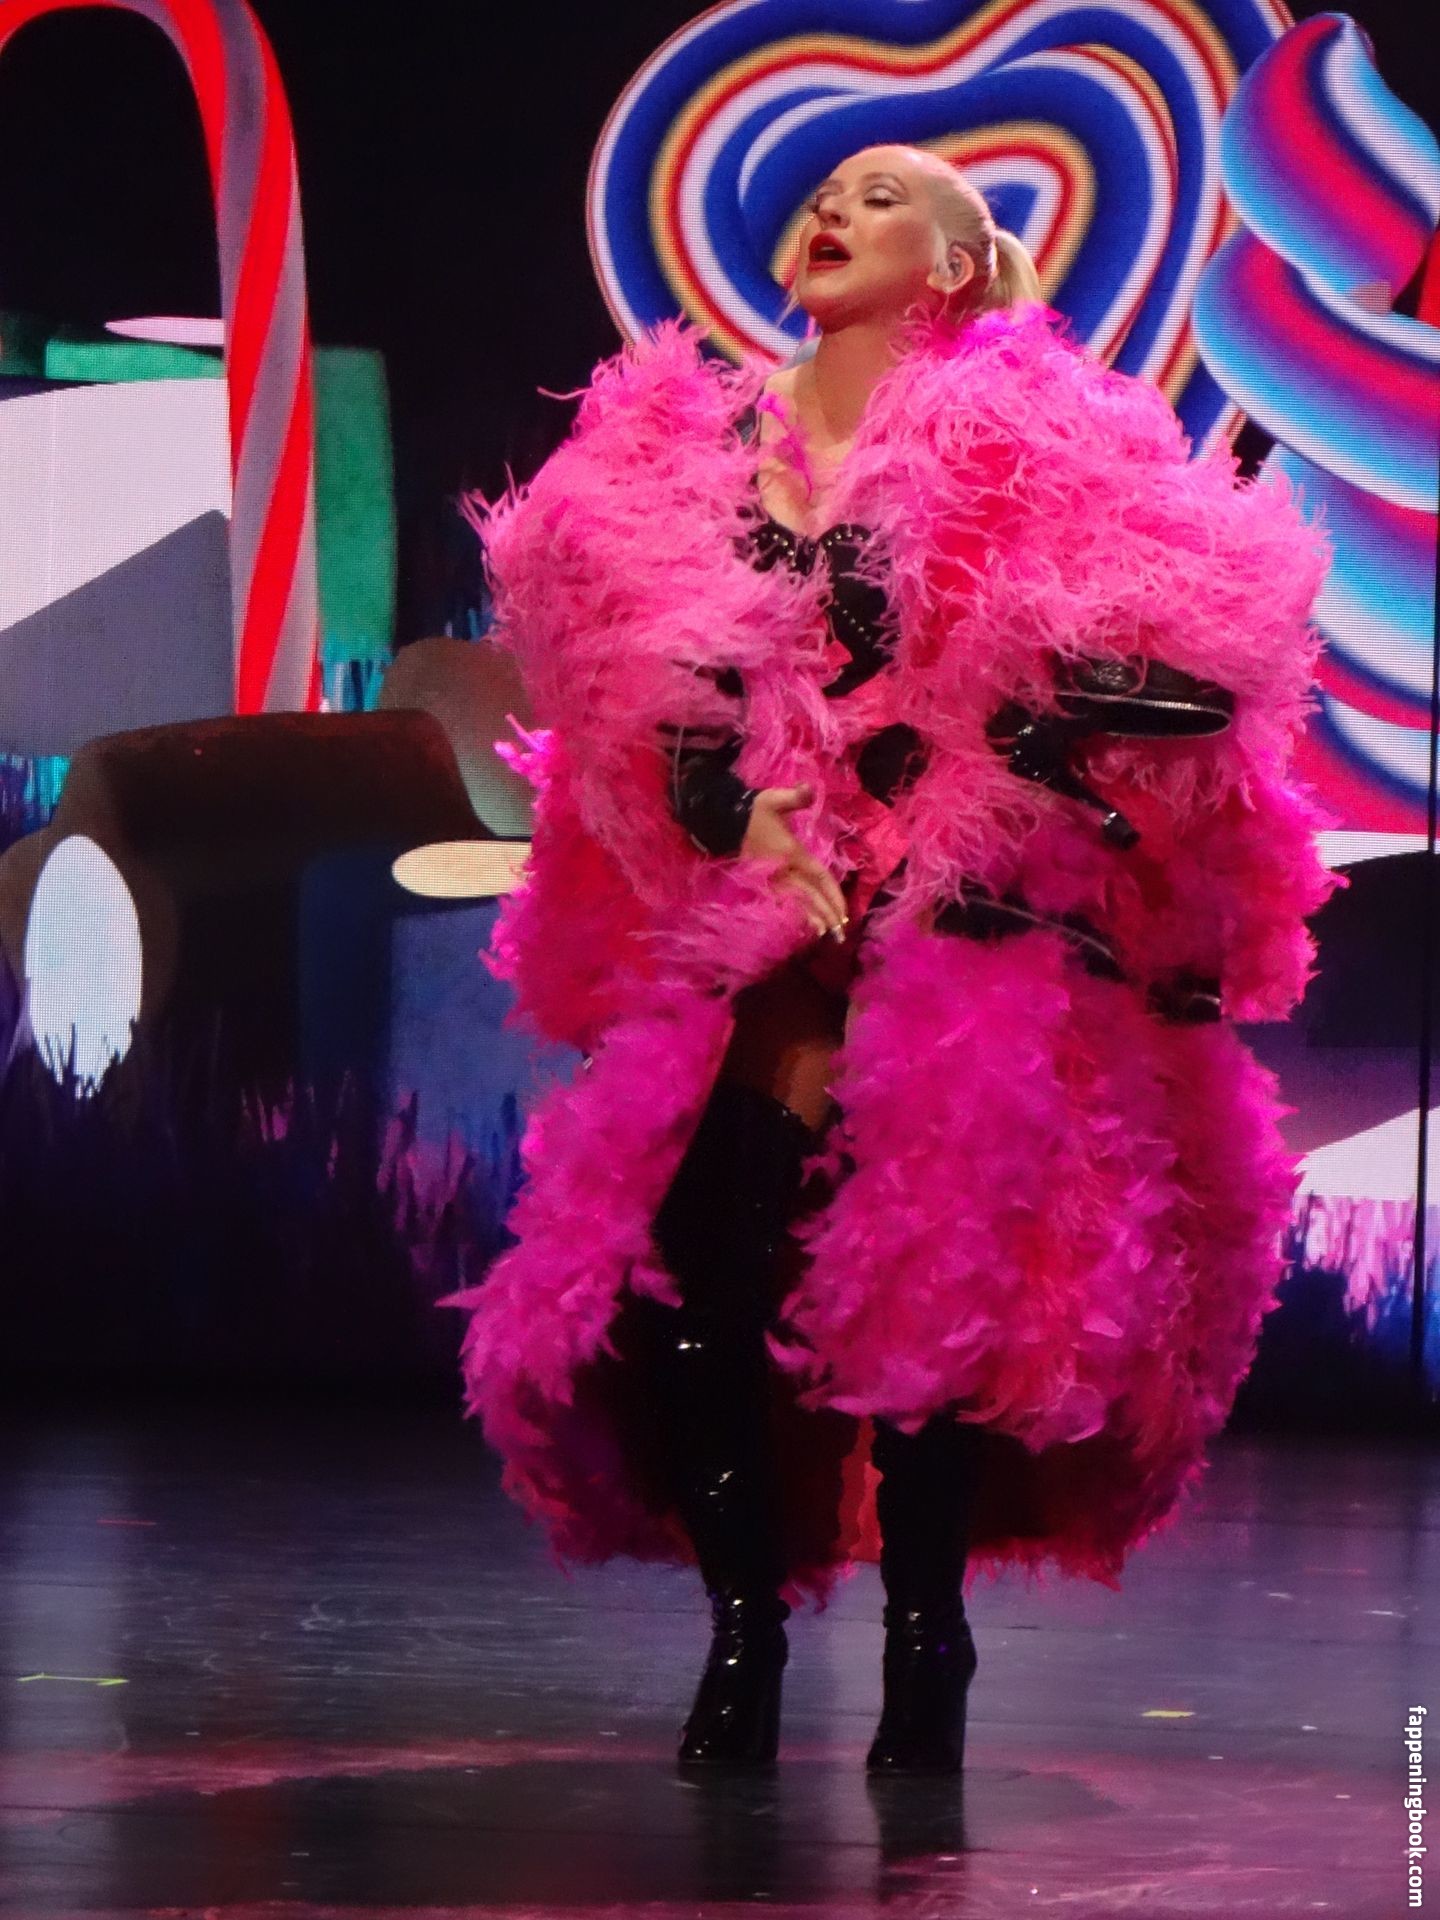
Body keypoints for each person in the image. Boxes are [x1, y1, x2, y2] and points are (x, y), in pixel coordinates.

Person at [447, 145, 1337, 1775]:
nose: (832, 210)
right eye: (825, 195)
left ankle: (929, 1639)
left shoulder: (1045, 435)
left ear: (951, 262)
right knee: (699, 1271)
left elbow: (1215, 652)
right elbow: (625, 677)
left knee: (935, 1295)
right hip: (768, 919)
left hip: (963, 917)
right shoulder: (687, 447)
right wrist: (737, 814)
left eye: (879, 195)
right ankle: (746, 1628)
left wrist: (1022, 738)